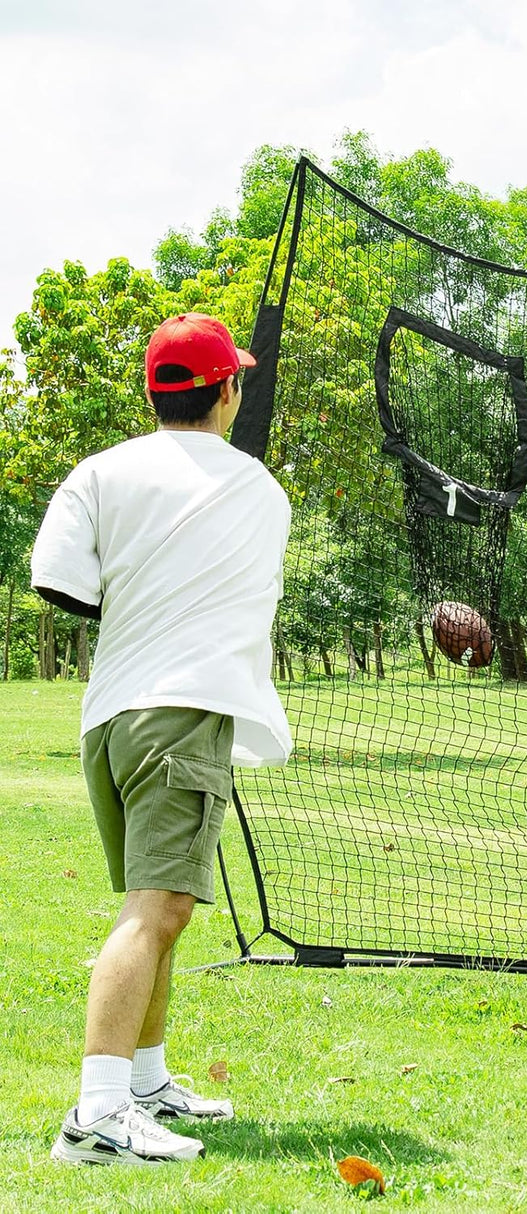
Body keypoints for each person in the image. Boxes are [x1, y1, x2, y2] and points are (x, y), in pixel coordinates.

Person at [31, 313, 292, 1165]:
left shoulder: (97, 471)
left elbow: (59, 582)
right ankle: (99, 1114)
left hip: (110, 717)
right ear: (228, 390)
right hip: (181, 716)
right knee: (159, 910)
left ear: (154, 392)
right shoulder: (261, 490)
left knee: (157, 905)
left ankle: (144, 1084)